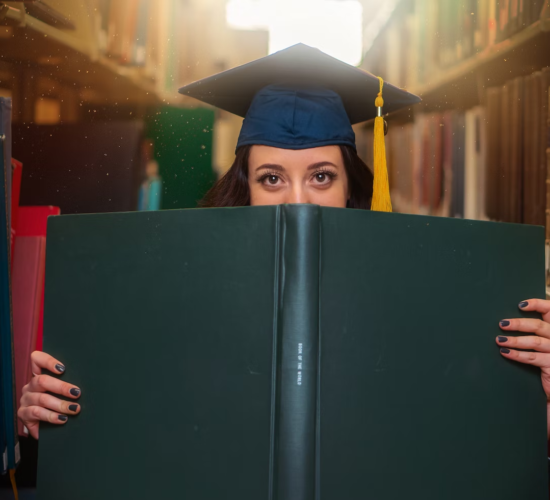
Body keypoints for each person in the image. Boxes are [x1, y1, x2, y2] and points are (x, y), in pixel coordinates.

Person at [17, 44, 550, 440]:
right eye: (272, 178)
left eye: (321, 176)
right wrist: (56, 425)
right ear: (245, 188)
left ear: (352, 188)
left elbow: (463, 437)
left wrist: (536, 405)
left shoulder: (424, 295)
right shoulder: (170, 292)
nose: (298, 201)